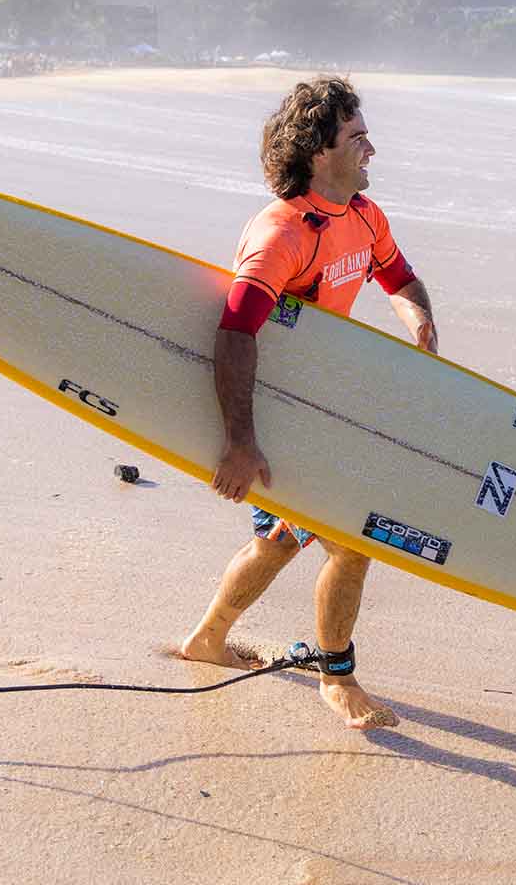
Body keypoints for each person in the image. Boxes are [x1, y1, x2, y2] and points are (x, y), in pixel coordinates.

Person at [177, 75, 437, 730]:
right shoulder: (282, 234)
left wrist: (421, 325)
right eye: (357, 137)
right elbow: (235, 332)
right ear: (320, 151)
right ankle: (336, 676)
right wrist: (241, 440)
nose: (371, 148)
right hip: (278, 415)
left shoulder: (363, 216)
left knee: (280, 544)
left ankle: (209, 639)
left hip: (322, 408)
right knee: (353, 544)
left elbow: (399, 276)